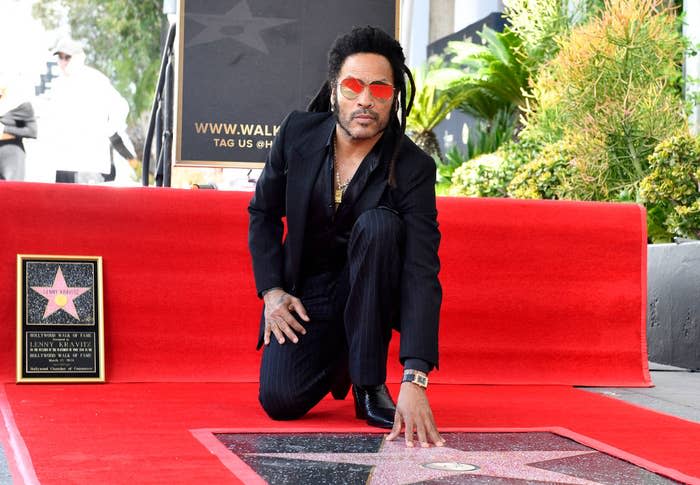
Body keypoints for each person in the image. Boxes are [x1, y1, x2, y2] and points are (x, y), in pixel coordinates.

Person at [248, 26, 444, 448]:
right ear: (335, 90)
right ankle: (345, 357)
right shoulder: (297, 134)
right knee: (279, 400)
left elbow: (421, 271)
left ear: (394, 95)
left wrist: (415, 377)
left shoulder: (413, 168)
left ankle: (367, 379)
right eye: (353, 86)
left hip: (373, 291)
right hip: (309, 295)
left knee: (379, 225)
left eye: (379, 88)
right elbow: (262, 213)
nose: (365, 100)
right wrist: (273, 292)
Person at [42, 37, 134, 184]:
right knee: (63, 205)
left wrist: (106, 131)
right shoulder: (58, 85)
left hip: (90, 162)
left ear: (78, 58)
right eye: (60, 57)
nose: (63, 62)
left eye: (67, 57)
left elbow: (121, 107)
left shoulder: (95, 79)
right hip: (64, 160)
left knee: (90, 205)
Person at [0, 75, 37, 180]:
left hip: (12, 149)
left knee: (14, 189)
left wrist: (6, 129)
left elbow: (32, 131)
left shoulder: (22, 106)